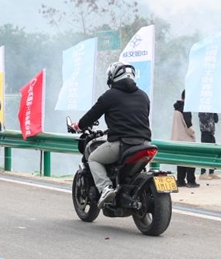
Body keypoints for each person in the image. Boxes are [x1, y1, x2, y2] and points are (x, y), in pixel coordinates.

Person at [70, 62, 152, 209]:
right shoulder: (143, 96)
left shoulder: (110, 95)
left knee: (94, 158)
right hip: (145, 143)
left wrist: (79, 125)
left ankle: (105, 188)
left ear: (113, 77)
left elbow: (92, 115)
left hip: (122, 144)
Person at [171, 90, 199, 188]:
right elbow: (188, 126)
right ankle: (191, 181)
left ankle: (180, 181)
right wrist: (193, 133)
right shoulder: (185, 109)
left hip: (177, 139)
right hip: (186, 139)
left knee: (181, 161)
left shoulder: (177, 107)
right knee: (191, 161)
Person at [198, 112, 220, 180]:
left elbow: (216, 120)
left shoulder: (212, 111)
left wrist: (215, 113)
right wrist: (210, 113)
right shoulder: (201, 111)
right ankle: (203, 173)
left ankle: (211, 172)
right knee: (204, 154)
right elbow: (203, 120)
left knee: (213, 153)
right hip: (205, 134)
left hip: (211, 134)